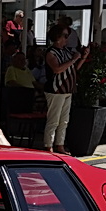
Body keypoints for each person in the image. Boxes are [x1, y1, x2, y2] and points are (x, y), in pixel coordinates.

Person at [42, 24, 86, 155]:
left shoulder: (66, 51)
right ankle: (48, 145)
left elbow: (73, 68)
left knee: (64, 120)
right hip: (56, 89)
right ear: (57, 37)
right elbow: (57, 69)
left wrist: (82, 57)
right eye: (65, 36)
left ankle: (60, 144)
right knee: (54, 119)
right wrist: (74, 59)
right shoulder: (51, 52)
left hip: (68, 89)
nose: (67, 39)